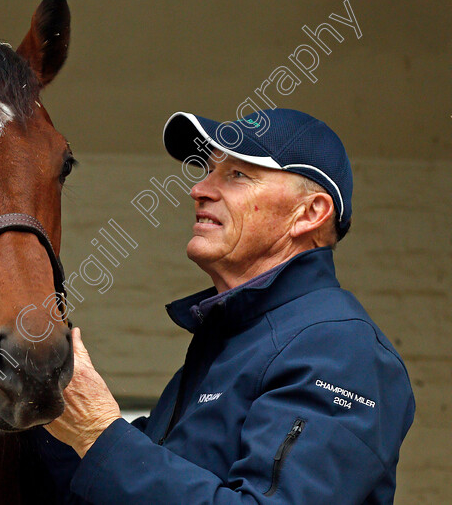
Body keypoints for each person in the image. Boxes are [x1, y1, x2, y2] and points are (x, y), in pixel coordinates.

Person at [37, 108, 415, 503]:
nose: (198, 189)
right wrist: (34, 403)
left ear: (311, 213)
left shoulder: (340, 347)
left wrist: (98, 433)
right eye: (209, 169)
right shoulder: (235, 341)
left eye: (237, 174)